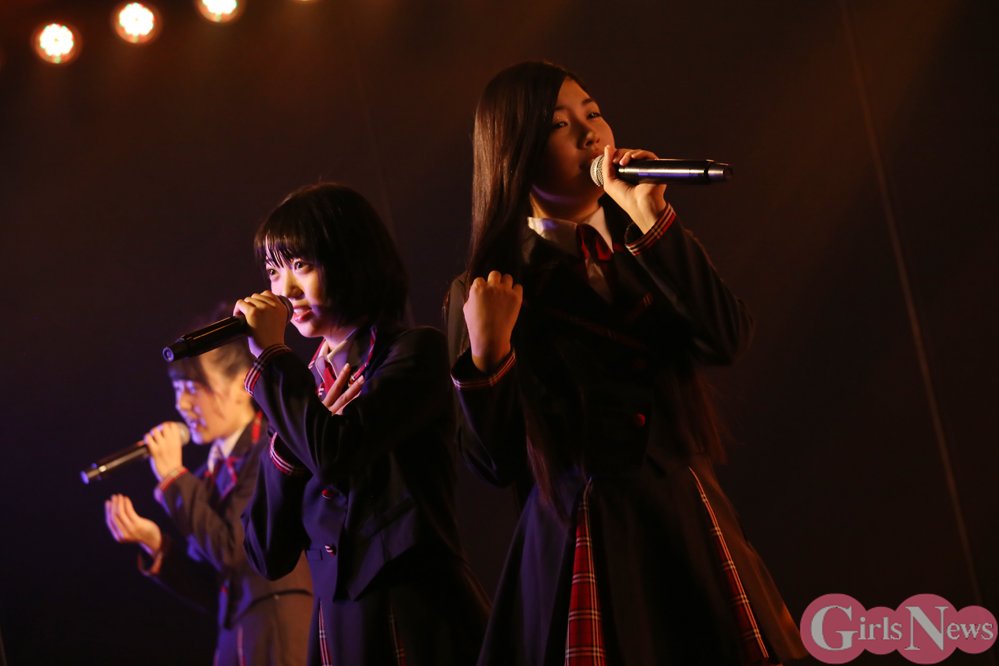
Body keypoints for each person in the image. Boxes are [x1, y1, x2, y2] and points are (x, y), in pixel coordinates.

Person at [444, 61, 807, 665]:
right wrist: (488, 356)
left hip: (684, 514)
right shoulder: (490, 287)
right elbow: (494, 461)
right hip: (586, 528)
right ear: (517, 154)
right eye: (561, 125)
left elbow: (727, 339)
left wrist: (652, 219)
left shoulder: (646, 240)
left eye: (593, 113)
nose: (592, 134)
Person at [235, 182, 489, 665]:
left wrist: (271, 358)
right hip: (338, 626)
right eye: (273, 271)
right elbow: (266, 551)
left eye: (300, 265)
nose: (284, 290)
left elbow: (337, 452)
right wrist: (285, 445)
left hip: (415, 614)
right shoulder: (298, 389)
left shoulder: (413, 353)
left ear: (350, 259)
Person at [104, 317, 313, 666]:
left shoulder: (269, 449)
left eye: (192, 388)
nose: (182, 405)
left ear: (239, 385)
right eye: (177, 390)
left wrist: (174, 479)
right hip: (238, 636)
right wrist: (157, 544)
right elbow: (216, 588)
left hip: (278, 628)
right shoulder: (207, 476)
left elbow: (236, 551)